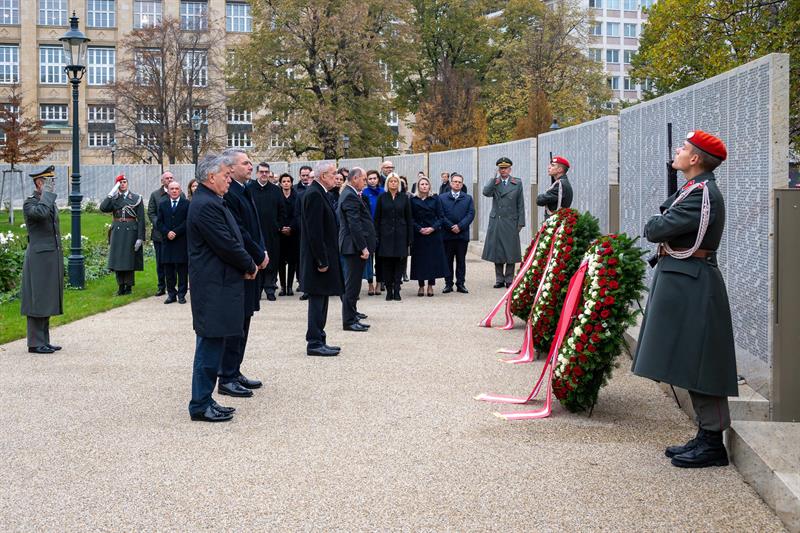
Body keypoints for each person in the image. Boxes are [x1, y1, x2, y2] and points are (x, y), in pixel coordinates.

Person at [632, 130, 737, 469]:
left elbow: (655, 229)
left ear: (695, 159)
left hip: (694, 282)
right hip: (685, 279)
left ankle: (712, 443)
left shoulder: (701, 193)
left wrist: (656, 221)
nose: (677, 152)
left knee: (702, 362)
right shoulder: (694, 190)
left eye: (683, 149)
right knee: (691, 360)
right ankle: (705, 436)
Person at [187, 153, 258, 423]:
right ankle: (200, 404)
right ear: (210, 176)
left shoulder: (211, 200)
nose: (229, 180)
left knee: (213, 344)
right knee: (209, 346)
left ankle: (205, 399)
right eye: (225, 176)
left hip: (220, 284)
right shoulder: (205, 205)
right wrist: (249, 265)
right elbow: (226, 243)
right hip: (213, 286)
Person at [218, 148, 268, 397]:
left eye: (250, 162)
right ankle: (226, 376)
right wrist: (257, 255)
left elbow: (254, 227)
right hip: (242, 267)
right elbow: (239, 232)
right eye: (245, 163)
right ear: (231, 167)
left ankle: (234, 370)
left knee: (245, 320)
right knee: (236, 323)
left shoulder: (244, 190)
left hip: (252, 264)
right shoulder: (230, 193)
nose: (251, 166)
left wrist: (262, 251)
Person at [300, 161, 343, 356]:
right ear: (323, 175)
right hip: (318, 260)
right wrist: (321, 260)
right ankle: (314, 342)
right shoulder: (314, 195)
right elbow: (314, 232)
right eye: (333, 174)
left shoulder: (320, 193)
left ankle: (320, 337)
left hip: (324, 257)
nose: (336, 177)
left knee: (322, 299)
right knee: (317, 300)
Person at [20, 166, 63, 354]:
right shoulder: (30, 204)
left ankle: (44, 340)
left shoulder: (47, 202)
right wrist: (47, 196)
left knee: (46, 297)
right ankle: (35, 342)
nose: (52, 186)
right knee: (37, 298)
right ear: (39, 183)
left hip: (50, 256)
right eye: (49, 182)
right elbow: (41, 214)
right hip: (38, 257)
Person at [337, 167, 375, 332]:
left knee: (354, 284)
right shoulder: (350, 196)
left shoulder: (349, 194)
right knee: (351, 285)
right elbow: (354, 225)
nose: (365, 183)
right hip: (353, 247)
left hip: (353, 246)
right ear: (354, 179)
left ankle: (352, 315)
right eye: (364, 179)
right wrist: (363, 247)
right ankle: (349, 320)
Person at [481, 157, 525, 288]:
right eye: (501, 168)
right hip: (497, 221)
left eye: (505, 168)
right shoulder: (495, 183)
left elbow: (520, 204)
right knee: (498, 250)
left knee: (510, 251)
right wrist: (492, 178)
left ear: (510, 169)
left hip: (511, 221)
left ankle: (509, 279)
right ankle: (499, 279)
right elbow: (485, 192)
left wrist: (521, 222)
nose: (503, 170)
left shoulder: (517, 183)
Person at [100, 174, 146, 295]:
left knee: (129, 259)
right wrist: (111, 193)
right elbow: (103, 208)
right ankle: (120, 286)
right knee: (118, 259)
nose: (123, 184)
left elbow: (141, 219)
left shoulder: (136, 198)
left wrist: (140, 238)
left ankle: (129, 286)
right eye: (120, 182)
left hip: (131, 231)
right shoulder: (114, 199)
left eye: (125, 181)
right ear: (117, 185)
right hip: (117, 231)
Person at [248, 161, 285, 302]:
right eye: (261, 172)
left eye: (266, 172)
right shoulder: (249, 189)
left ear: (269, 173)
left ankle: (270, 288)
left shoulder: (276, 190)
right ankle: (257, 290)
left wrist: (278, 226)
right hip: (255, 232)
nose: (264, 174)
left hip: (272, 232)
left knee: (272, 261)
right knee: (257, 259)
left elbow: (282, 211)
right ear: (257, 173)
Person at [374, 172, 413, 301]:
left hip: (401, 235)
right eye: (391, 181)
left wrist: (409, 238)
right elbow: (377, 219)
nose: (393, 183)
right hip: (385, 236)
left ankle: (397, 289)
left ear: (399, 183)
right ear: (387, 183)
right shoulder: (382, 198)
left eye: (396, 181)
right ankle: (389, 290)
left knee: (399, 263)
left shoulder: (404, 198)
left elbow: (409, 219)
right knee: (387, 264)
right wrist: (377, 236)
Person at [409, 176, 448, 297]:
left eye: (426, 184)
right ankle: (421, 285)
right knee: (420, 260)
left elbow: (441, 217)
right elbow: (410, 218)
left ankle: (431, 285)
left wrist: (432, 228)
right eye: (422, 184)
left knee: (432, 260)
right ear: (418, 186)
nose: (424, 186)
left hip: (433, 234)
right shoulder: (413, 200)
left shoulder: (435, 199)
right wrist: (419, 228)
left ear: (429, 186)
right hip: (419, 234)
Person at [439, 172, 475, 294]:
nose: (457, 184)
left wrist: (460, 226)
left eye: (459, 182)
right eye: (455, 181)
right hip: (447, 235)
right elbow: (441, 215)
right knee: (448, 260)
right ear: (450, 183)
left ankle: (460, 284)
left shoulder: (468, 198)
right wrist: (450, 226)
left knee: (461, 260)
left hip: (461, 235)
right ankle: (448, 284)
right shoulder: (442, 198)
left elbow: (470, 214)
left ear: (462, 184)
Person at [157, 180, 190, 304]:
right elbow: (159, 222)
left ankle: (181, 294)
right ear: (168, 191)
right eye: (172, 189)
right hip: (168, 242)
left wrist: (175, 231)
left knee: (182, 270)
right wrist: (167, 232)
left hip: (181, 241)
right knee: (169, 271)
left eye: (177, 188)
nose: (174, 191)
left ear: (180, 190)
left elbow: (188, 221)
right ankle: (171, 294)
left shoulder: (186, 204)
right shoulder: (163, 204)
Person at [147, 171, 173, 296]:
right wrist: (161, 225)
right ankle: (161, 286)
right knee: (161, 262)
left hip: (175, 234)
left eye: (171, 178)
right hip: (160, 235)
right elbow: (151, 213)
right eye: (167, 178)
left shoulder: (179, 193)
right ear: (162, 181)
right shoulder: (155, 195)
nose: (169, 179)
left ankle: (173, 286)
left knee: (175, 262)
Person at [361, 170, 384, 295]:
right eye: (370, 178)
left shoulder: (383, 192)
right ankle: (370, 283)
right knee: (368, 258)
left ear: (378, 179)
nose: (372, 180)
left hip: (380, 228)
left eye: (374, 178)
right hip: (368, 229)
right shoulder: (363, 193)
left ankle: (379, 283)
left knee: (380, 258)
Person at [277, 173, 300, 296]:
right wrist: (281, 228)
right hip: (280, 233)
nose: (286, 183)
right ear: (280, 183)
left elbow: (297, 215)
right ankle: (282, 287)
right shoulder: (277, 196)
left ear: (291, 183)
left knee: (292, 261)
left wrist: (291, 228)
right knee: (281, 261)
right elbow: (275, 213)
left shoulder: (297, 196)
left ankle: (290, 287)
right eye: (284, 181)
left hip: (293, 233)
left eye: (288, 181)